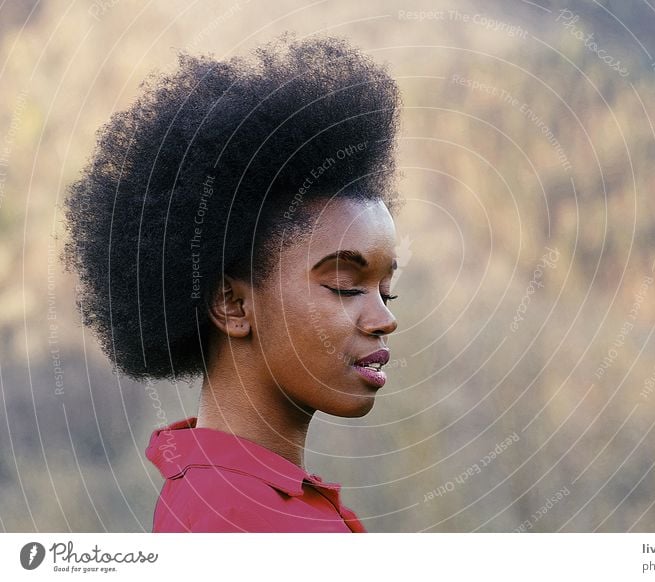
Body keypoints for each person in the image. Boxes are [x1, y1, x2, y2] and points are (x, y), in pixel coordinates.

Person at [63, 34, 402, 532]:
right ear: (233, 305)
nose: (385, 319)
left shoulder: (225, 499)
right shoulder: (242, 520)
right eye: (346, 286)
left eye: (386, 291)